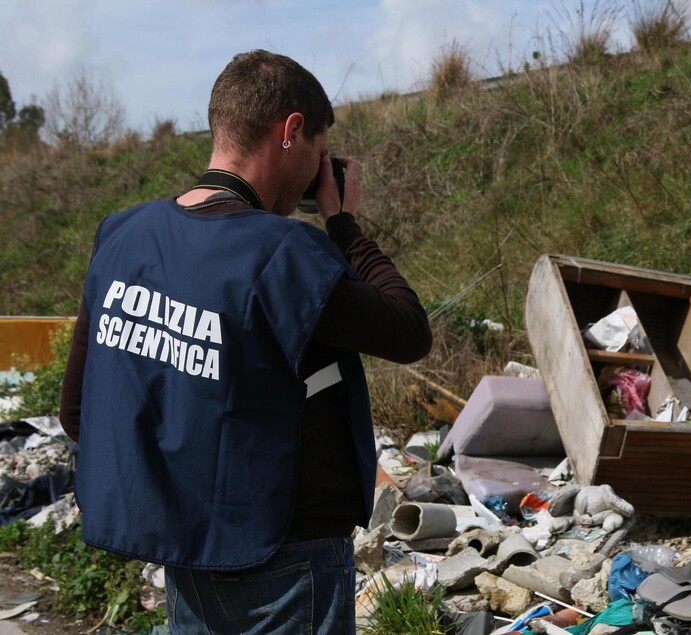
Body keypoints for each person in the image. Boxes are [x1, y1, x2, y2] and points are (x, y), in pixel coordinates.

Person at [58, 49, 432, 634]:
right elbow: (408, 329)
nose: (315, 170)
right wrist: (342, 222)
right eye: (318, 151)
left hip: (184, 555)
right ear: (292, 131)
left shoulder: (123, 236)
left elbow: (79, 412)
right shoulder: (284, 254)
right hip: (284, 562)